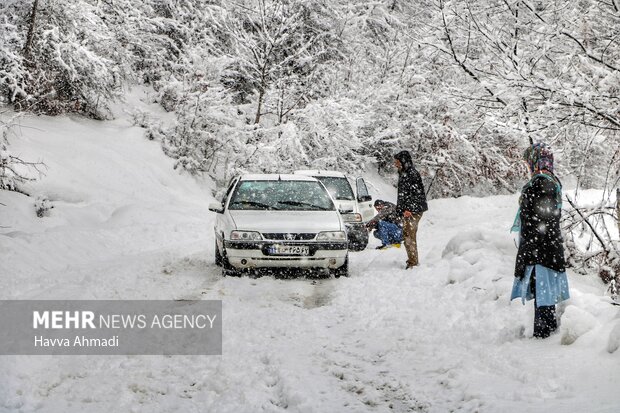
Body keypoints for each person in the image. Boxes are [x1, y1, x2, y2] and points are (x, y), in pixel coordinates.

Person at [510, 142, 570, 338]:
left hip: (540, 249)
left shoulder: (541, 182)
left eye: (529, 163)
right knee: (544, 293)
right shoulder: (550, 180)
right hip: (546, 247)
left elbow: (542, 218)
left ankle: (543, 337)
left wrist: (532, 248)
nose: (528, 167)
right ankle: (546, 332)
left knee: (543, 295)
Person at [394, 150, 428, 269]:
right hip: (408, 210)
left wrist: (409, 209)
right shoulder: (403, 173)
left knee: (409, 235)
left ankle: (413, 262)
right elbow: (403, 194)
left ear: (403, 161)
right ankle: (412, 260)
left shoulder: (411, 174)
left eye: (397, 161)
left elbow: (417, 194)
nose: (395, 164)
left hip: (414, 211)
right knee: (407, 234)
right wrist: (400, 209)